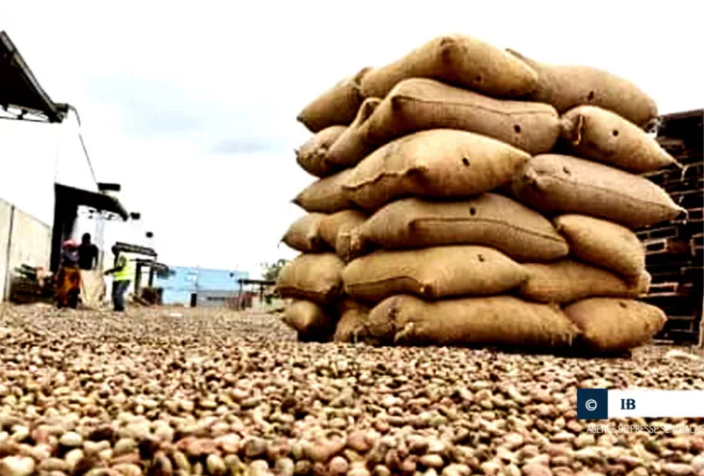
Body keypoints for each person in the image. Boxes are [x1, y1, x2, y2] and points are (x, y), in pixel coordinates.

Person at [104, 245, 133, 312]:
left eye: (115, 250)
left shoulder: (122, 256)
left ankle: (120, 308)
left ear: (118, 250)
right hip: (118, 278)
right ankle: (116, 307)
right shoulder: (116, 257)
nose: (113, 252)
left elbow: (120, 267)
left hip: (125, 277)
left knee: (118, 292)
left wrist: (109, 271)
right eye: (113, 251)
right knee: (114, 293)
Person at [55, 240, 81, 309]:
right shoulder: (71, 254)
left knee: (68, 287)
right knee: (66, 287)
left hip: (70, 273)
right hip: (69, 273)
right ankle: (65, 301)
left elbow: (73, 261)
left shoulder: (69, 254)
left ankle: (67, 301)